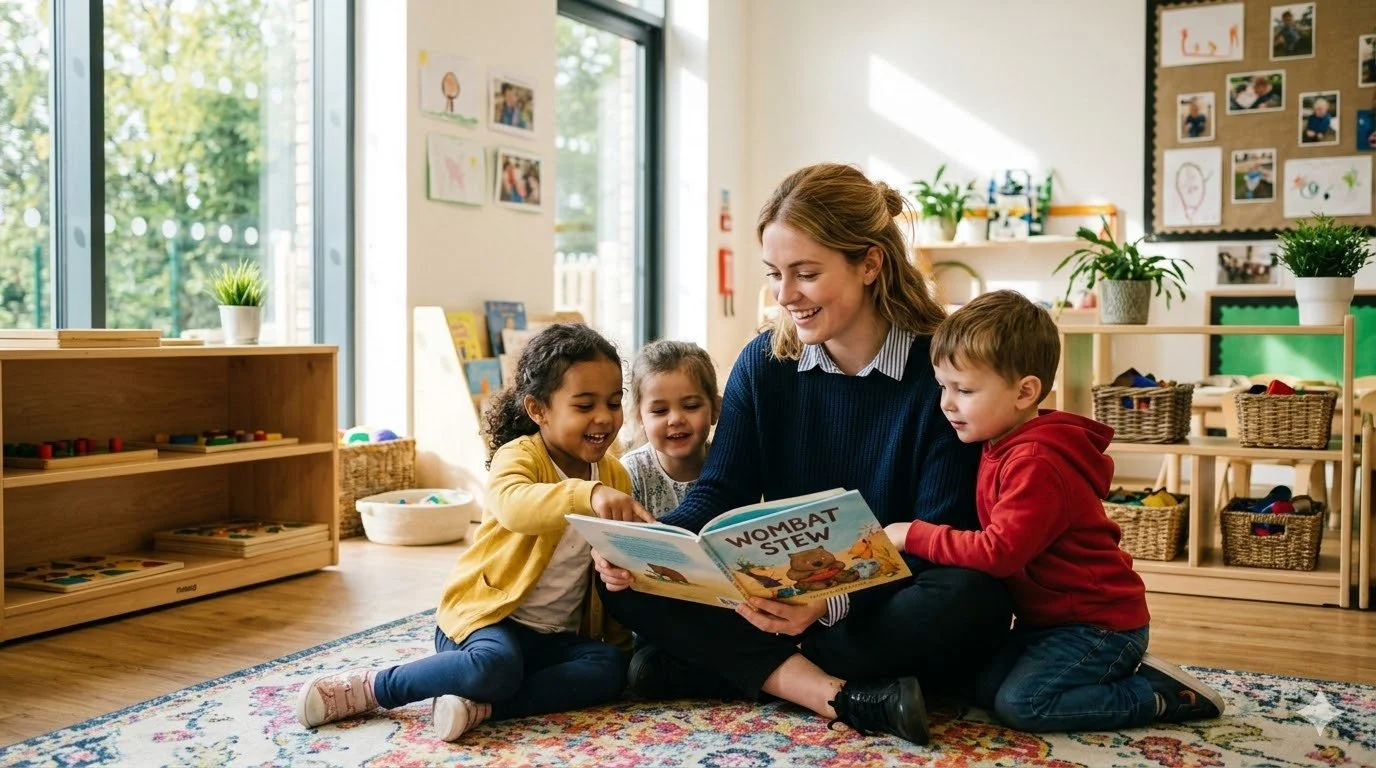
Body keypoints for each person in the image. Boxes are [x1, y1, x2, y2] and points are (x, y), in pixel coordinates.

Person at [594, 162, 1014, 746]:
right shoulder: (764, 366)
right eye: (773, 274)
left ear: (870, 263)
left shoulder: (940, 372)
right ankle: (835, 694)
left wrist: (828, 604)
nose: (784, 296)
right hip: (779, 591)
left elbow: (941, 533)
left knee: (975, 600)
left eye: (805, 274)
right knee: (624, 586)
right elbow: (722, 491)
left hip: (878, 597)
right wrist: (653, 549)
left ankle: (729, 666)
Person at [886, 290, 1225, 733]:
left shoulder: (1035, 462)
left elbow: (999, 552)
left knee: (1024, 706)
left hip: (1098, 625)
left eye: (964, 390)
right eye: (942, 387)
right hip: (1044, 622)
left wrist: (913, 534)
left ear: (1025, 392)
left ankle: (1157, 694)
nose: (946, 403)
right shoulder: (998, 442)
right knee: (979, 688)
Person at [296, 324, 652, 742]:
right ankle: (375, 687)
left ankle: (481, 707)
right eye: (584, 405)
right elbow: (515, 505)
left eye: (614, 402)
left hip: (553, 639)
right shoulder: (518, 456)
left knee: (609, 669)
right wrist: (586, 494)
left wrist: (618, 569)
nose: (605, 418)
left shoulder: (613, 474)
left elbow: (606, 561)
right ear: (538, 410)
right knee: (493, 667)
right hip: (485, 622)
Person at [620, 339, 721, 519]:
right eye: (660, 411)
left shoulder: (727, 465)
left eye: (691, 406)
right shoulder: (629, 473)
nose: (675, 419)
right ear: (639, 416)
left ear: (715, 409)